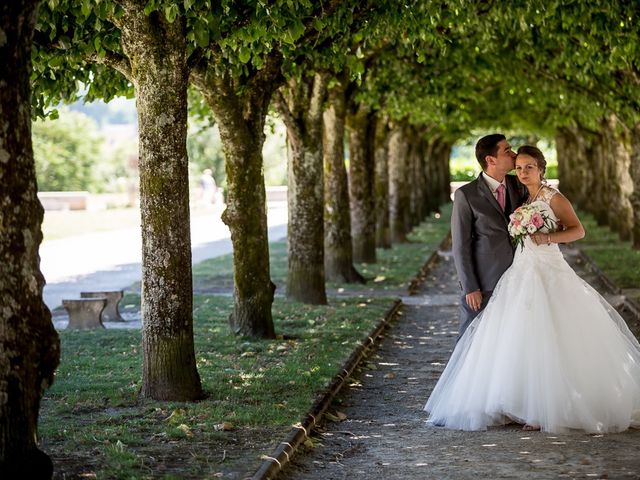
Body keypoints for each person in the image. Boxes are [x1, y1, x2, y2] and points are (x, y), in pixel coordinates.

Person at [424, 145, 640, 433]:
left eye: (529, 167)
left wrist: (548, 237)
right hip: (521, 270)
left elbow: (578, 230)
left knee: (553, 334)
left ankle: (547, 410)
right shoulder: (522, 194)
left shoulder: (553, 197)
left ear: (541, 169)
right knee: (518, 335)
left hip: (549, 269)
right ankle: (521, 404)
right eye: (519, 167)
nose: (523, 172)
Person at [451, 134, 527, 339]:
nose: (514, 154)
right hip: (485, 283)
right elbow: (460, 246)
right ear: (490, 160)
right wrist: (470, 287)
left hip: (521, 278)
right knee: (472, 339)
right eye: (507, 150)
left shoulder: (519, 185)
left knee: (512, 339)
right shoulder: (466, 195)